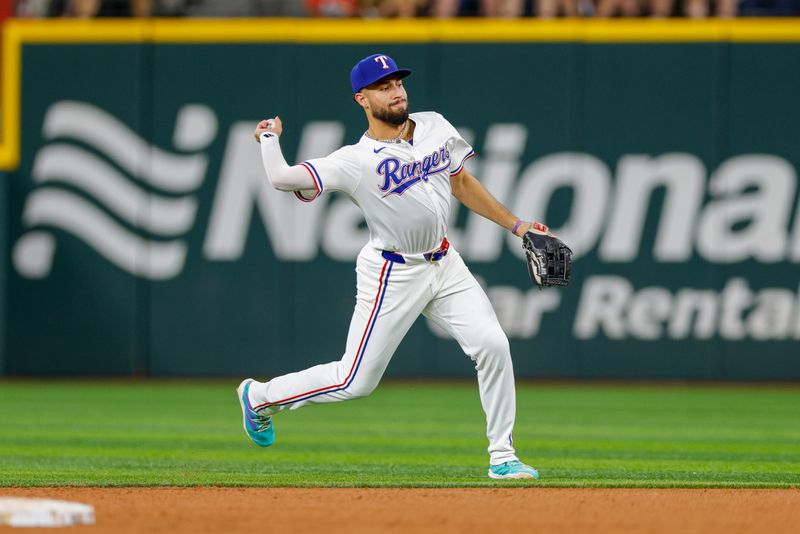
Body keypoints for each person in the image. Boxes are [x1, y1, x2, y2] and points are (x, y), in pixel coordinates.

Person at [237, 53, 550, 480]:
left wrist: (517, 226)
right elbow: (282, 178)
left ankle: (502, 456)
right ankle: (259, 397)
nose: (396, 90)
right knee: (354, 381)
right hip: (392, 271)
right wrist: (269, 139)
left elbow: (460, 182)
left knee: (493, 345)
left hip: (445, 263)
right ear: (361, 99)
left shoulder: (436, 125)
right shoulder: (354, 160)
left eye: (398, 82)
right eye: (383, 86)